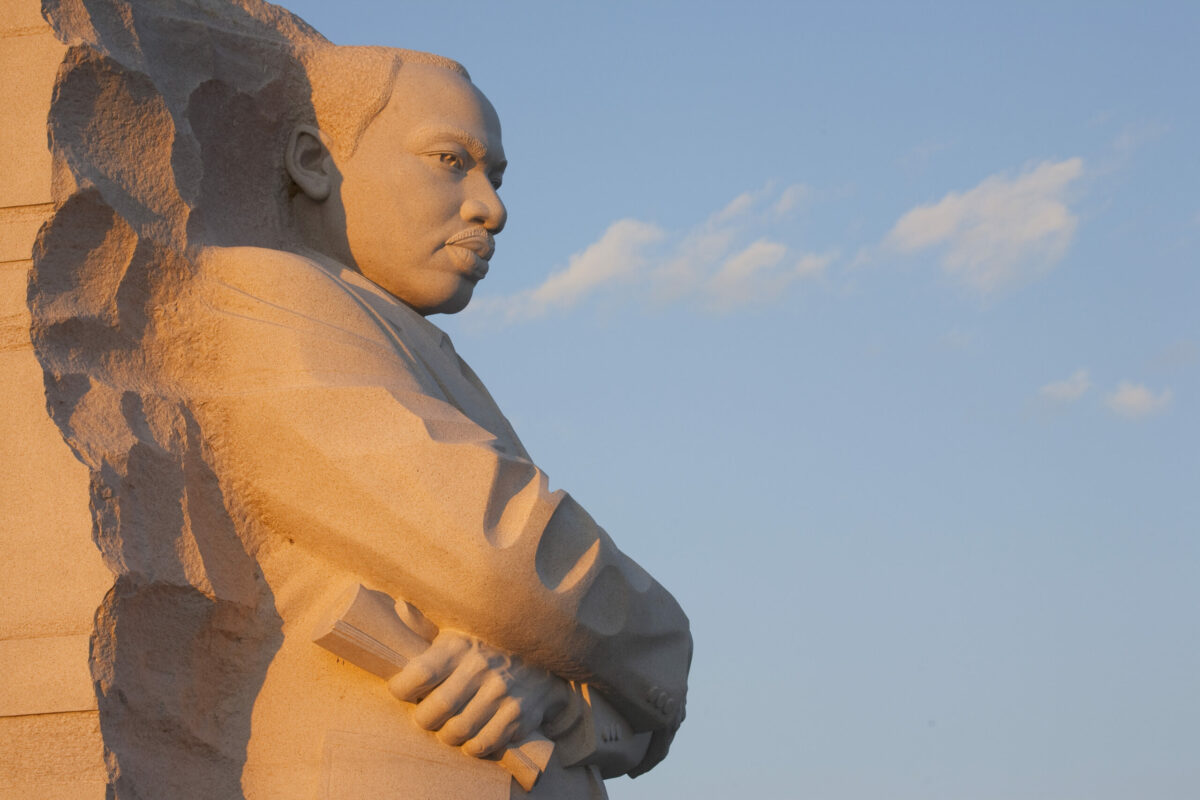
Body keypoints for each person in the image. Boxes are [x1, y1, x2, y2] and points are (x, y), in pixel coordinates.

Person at [168, 47, 691, 797]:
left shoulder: (413, 344)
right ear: (315, 164)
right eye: (451, 161)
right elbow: (500, 558)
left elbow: (516, 610)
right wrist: (663, 642)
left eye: (495, 177)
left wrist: (557, 688)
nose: (492, 207)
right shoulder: (263, 292)